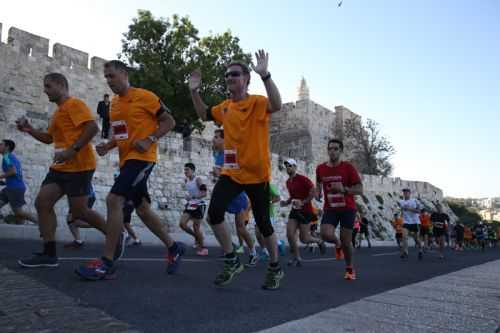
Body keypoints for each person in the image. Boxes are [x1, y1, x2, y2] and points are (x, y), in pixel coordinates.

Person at [75, 60, 183, 280]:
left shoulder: (146, 96)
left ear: (124, 74)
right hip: (127, 161)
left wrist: (150, 139)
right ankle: (174, 247)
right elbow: (122, 134)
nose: (109, 81)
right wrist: (109, 145)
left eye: (112, 76)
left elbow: (169, 121)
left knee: (114, 199)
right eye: (106, 77)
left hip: (143, 158)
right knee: (142, 209)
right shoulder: (114, 104)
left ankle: (106, 262)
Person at [189, 50, 284, 290]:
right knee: (214, 214)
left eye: (234, 74)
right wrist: (194, 91)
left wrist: (266, 75)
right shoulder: (224, 107)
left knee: (264, 225)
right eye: (227, 74)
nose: (229, 77)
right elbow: (202, 113)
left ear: (246, 79)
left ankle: (275, 267)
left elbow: (277, 104)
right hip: (232, 173)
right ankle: (231, 259)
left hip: (257, 175)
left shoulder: (258, 103)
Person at [16, 73, 112, 268]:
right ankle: (49, 254)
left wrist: (71, 150)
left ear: (61, 85)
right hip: (59, 168)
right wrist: (29, 129)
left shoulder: (74, 104)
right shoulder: (58, 112)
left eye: (48, 86)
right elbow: (49, 139)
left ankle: (114, 235)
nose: (44, 90)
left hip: (80, 166)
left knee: (80, 212)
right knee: (42, 203)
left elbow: (93, 127)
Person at [316, 139, 363, 281]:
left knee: (346, 240)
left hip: (348, 209)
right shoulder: (320, 168)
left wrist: (344, 189)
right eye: (330, 148)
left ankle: (349, 268)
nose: (332, 151)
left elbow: (360, 189)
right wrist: (318, 191)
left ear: (341, 151)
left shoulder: (348, 168)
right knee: (324, 234)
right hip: (330, 208)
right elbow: (318, 181)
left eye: (336, 149)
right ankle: (337, 244)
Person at [211, 129, 258, 266]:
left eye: (216, 137)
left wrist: (218, 173)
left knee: (241, 228)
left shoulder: (229, 153)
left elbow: (232, 177)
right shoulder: (218, 154)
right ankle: (229, 248)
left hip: (236, 195)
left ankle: (253, 252)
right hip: (226, 193)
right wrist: (217, 174)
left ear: (224, 140)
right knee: (213, 218)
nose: (213, 139)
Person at [281, 158, 326, 267]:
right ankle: (296, 258)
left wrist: (304, 202)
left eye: (290, 166)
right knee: (289, 234)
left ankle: (319, 241)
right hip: (294, 211)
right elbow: (293, 196)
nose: (288, 168)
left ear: (295, 167)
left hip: (305, 211)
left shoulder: (302, 179)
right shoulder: (288, 182)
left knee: (304, 239)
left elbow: (313, 191)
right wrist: (286, 202)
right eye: (287, 166)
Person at [0, 139, 38, 225]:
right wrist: (4, 182)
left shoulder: (7, 157)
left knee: (19, 213)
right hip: (10, 187)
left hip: (15, 188)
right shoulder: (10, 157)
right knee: (18, 214)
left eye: (1, 144)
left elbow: (13, 171)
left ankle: (40, 222)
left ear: (7, 147)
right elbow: (15, 174)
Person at [179, 162, 208, 256]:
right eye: (185, 169)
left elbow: (204, 193)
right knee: (182, 224)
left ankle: (203, 248)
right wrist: (189, 201)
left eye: (187, 169)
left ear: (193, 171)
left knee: (196, 227)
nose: (185, 171)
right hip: (191, 205)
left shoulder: (197, 180)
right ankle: (197, 238)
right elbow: (190, 195)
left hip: (199, 205)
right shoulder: (186, 180)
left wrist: (193, 197)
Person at [398, 188, 423, 260]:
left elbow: (419, 211)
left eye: (406, 192)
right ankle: (406, 252)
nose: (405, 194)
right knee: (404, 236)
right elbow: (401, 211)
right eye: (404, 192)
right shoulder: (401, 202)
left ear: (410, 193)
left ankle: (420, 250)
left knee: (416, 239)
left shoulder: (414, 201)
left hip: (415, 222)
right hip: (406, 222)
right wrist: (402, 213)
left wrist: (409, 209)